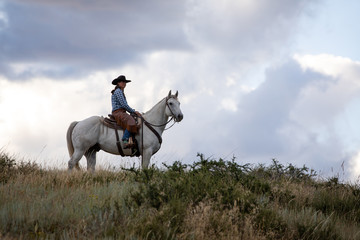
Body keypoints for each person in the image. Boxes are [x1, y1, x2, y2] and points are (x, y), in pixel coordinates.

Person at [111, 75, 141, 148]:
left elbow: (125, 105)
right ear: (118, 83)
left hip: (121, 111)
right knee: (131, 121)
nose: (124, 83)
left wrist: (132, 111)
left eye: (125, 82)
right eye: (122, 82)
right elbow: (124, 104)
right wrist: (133, 111)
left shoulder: (120, 91)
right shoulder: (118, 91)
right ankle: (125, 139)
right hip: (118, 112)